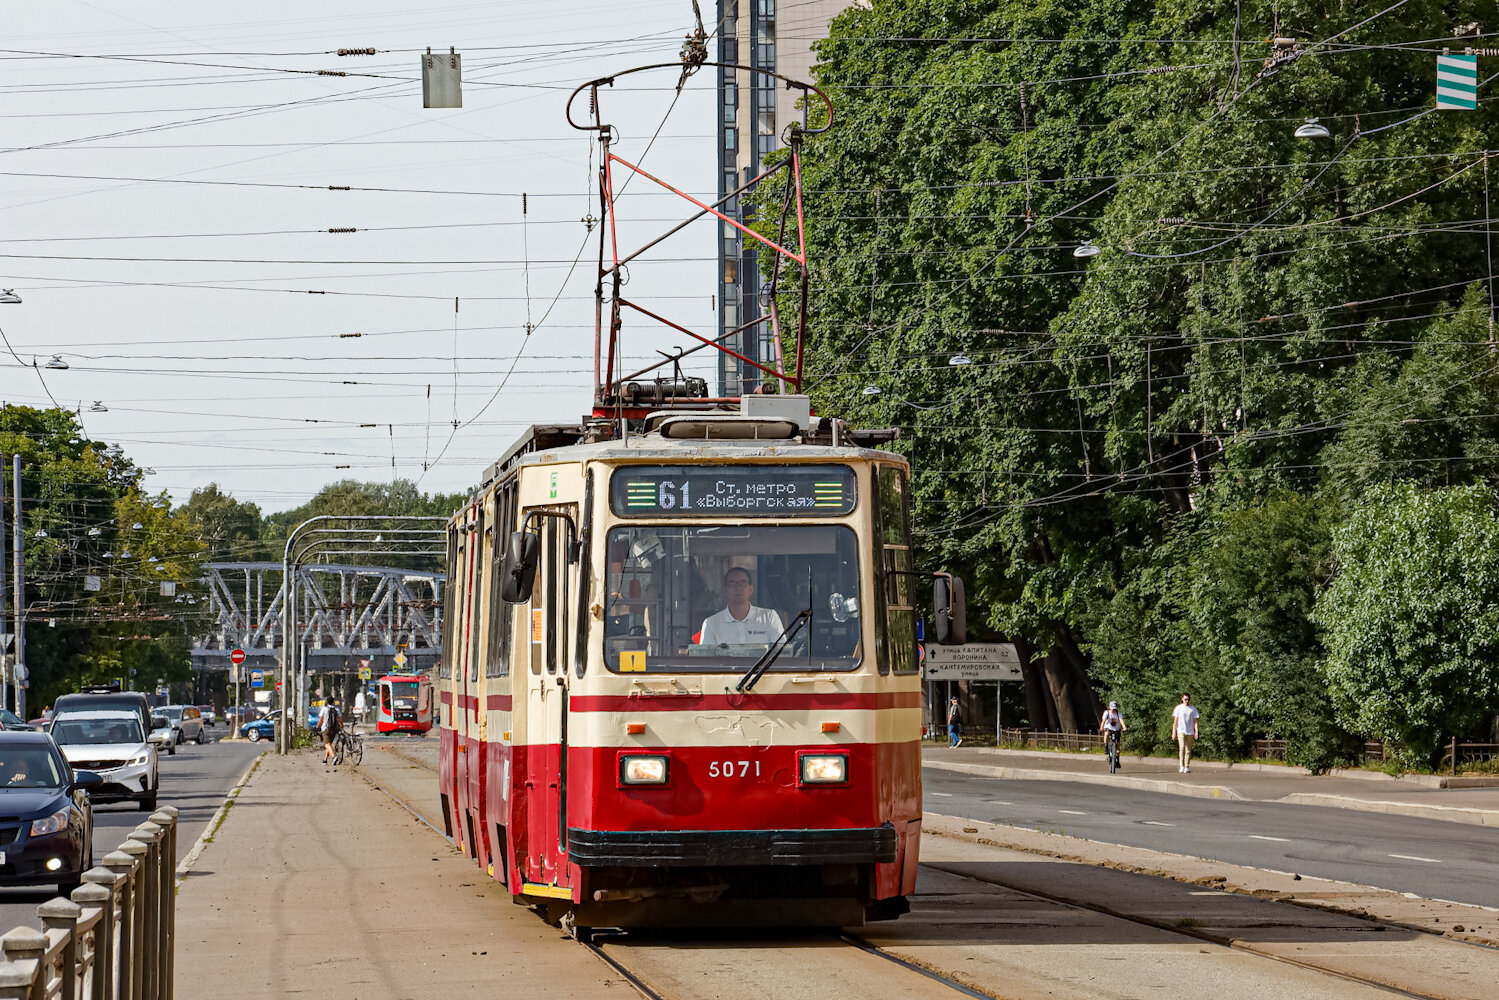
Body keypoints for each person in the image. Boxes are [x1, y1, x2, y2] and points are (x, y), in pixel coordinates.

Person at [698, 567, 785, 646]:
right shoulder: (711, 623)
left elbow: (782, 654)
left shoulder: (769, 617)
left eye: (742, 583)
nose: (738, 588)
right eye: (732, 584)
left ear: (751, 589)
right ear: (725, 590)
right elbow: (706, 660)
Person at [1171, 693, 1200, 773]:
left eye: (1188, 699)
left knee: (1188, 750)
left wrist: (1196, 731)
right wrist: (1174, 732)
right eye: (1185, 699)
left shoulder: (1192, 709)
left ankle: (1187, 766)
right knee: (1182, 747)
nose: (1187, 701)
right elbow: (1175, 722)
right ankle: (1181, 766)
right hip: (1181, 730)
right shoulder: (1178, 708)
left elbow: (1195, 722)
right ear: (1182, 699)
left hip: (1190, 731)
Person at [1099, 700, 1127, 768]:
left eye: (1115, 708)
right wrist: (1101, 727)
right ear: (1109, 708)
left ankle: (1117, 759)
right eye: (1112, 709)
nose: (1114, 710)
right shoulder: (1107, 713)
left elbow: (1121, 721)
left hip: (1116, 729)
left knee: (1118, 744)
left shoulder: (1118, 713)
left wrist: (1124, 727)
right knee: (1106, 733)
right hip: (1108, 727)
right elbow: (1103, 721)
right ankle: (1106, 747)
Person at [317, 699, 342, 766]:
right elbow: (340, 719)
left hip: (326, 728)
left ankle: (334, 756)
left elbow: (321, 720)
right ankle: (325, 760)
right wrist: (341, 726)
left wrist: (318, 726)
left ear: (327, 702)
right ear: (333, 702)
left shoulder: (324, 709)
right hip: (334, 729)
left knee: (327, 744)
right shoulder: (337, 709)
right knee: (329, 745)